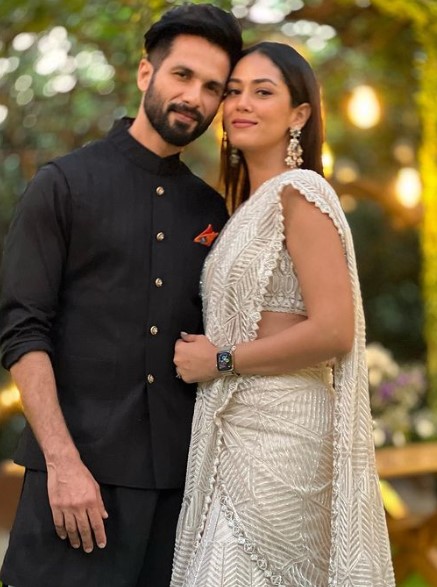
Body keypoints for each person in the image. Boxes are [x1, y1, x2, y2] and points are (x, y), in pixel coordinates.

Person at [0, 5, 242, 587]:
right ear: (145, 73)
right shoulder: (63, 185)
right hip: (72, 490)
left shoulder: (211, 212)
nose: (194, 97)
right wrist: (63, 463)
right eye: (182, 75)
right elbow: (22, 331)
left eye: (212, 87)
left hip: (177, 501)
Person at [172, 42, 395, 586]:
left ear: (299, 114)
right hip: (235, 430)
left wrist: (221, 360)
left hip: (285, 437)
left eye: (262, 92)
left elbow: (334, 330)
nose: (242, 103)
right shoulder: (247, 207)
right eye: (233, 91)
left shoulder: (301, 193)